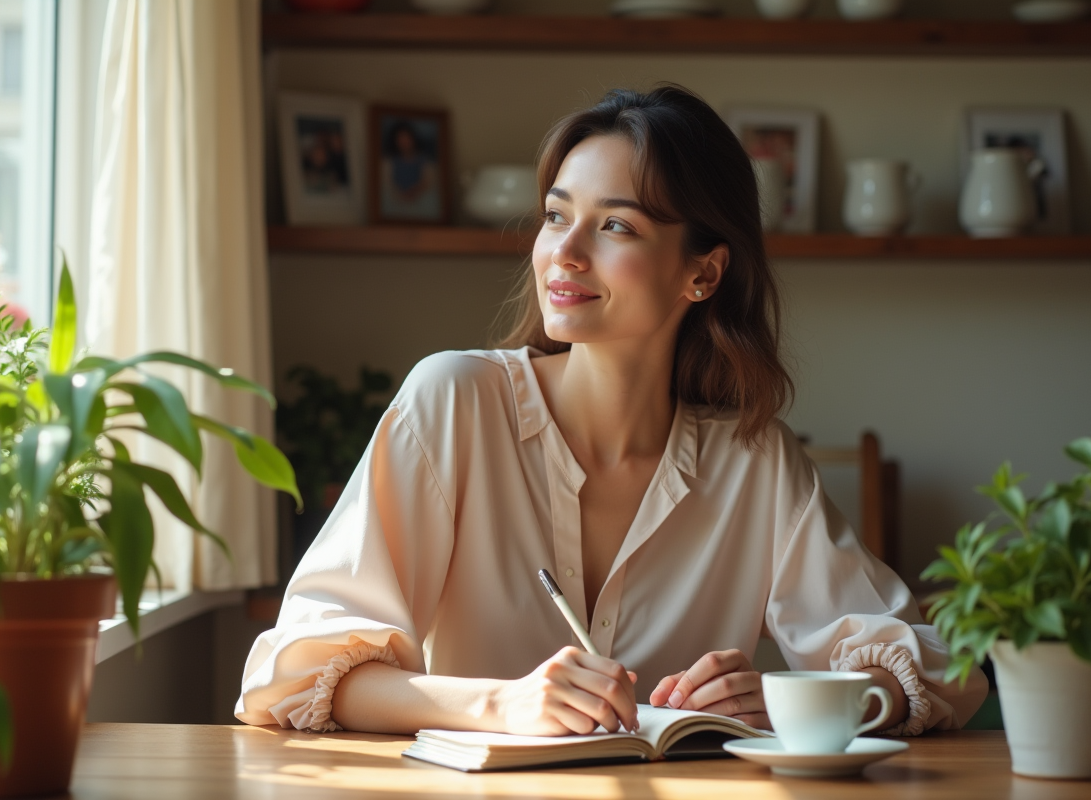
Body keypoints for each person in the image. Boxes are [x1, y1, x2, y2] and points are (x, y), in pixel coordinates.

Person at [237, 85, 988, 738]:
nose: (564, 253)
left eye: (615, 226)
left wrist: (795, 701)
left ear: (703, 272)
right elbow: (293, 677)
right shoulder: (452, 403)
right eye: (557, 216)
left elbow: (937, 670)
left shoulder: (754, 462)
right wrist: (505, 704)